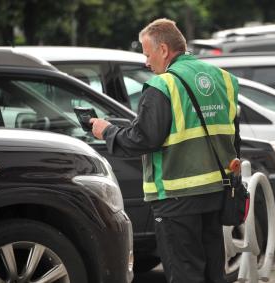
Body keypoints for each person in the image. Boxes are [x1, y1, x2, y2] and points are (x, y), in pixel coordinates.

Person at [90, 18, 240, 283]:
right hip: (216, 191)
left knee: (184, 272)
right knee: (212, 271)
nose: (146, 62)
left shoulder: (163, 86)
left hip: (176, 195)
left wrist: (107, 131)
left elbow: (144, 139)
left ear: (163, 50)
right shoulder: (222, 79)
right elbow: (232, 134)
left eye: (147, 54)